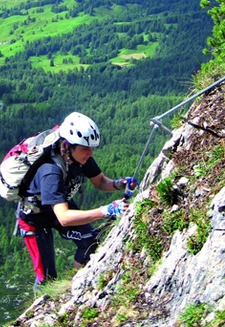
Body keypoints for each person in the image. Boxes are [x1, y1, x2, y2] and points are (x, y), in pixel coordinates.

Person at [17, 111, 139, 290]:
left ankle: (77, 286)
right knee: (47, 279)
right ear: (67, 146)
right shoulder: (51, 171)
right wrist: (105, 211)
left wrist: (119, 184)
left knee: (90, 241)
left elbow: (100, 182)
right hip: (35, 219)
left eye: (91, 148)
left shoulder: (81, 157)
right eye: (85, 148)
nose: (90, 153)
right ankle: (44, 309)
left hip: (59, 205)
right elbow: (64, 218)